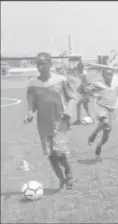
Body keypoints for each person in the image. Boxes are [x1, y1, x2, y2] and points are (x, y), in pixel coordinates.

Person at [24, 52, 78, 190]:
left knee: (59, 152)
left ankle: (68, 172)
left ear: (50, 64)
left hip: (60, 122)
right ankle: (62, 179)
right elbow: (31, 104)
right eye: (38, 64)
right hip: (43, 124)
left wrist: (69, 112)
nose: (40, 67)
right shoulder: (32, 84)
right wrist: (29, 114)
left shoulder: (61, 80)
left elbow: (72, 97)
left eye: (43, 63)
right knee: (50, 154)